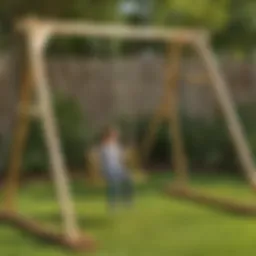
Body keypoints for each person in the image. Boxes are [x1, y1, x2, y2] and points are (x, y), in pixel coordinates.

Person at [99, 126, 134, 211]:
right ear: (109, 136)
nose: (115, 137)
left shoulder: (117, 146)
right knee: (114, 184)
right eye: (113, 135)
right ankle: (112, 205)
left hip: (118, 169)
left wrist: (124, 159)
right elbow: (104, 161)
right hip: (108, 169)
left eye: (115, 135)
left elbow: (121, 159)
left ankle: (128, 203)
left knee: (128, 180)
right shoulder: (105, 147)